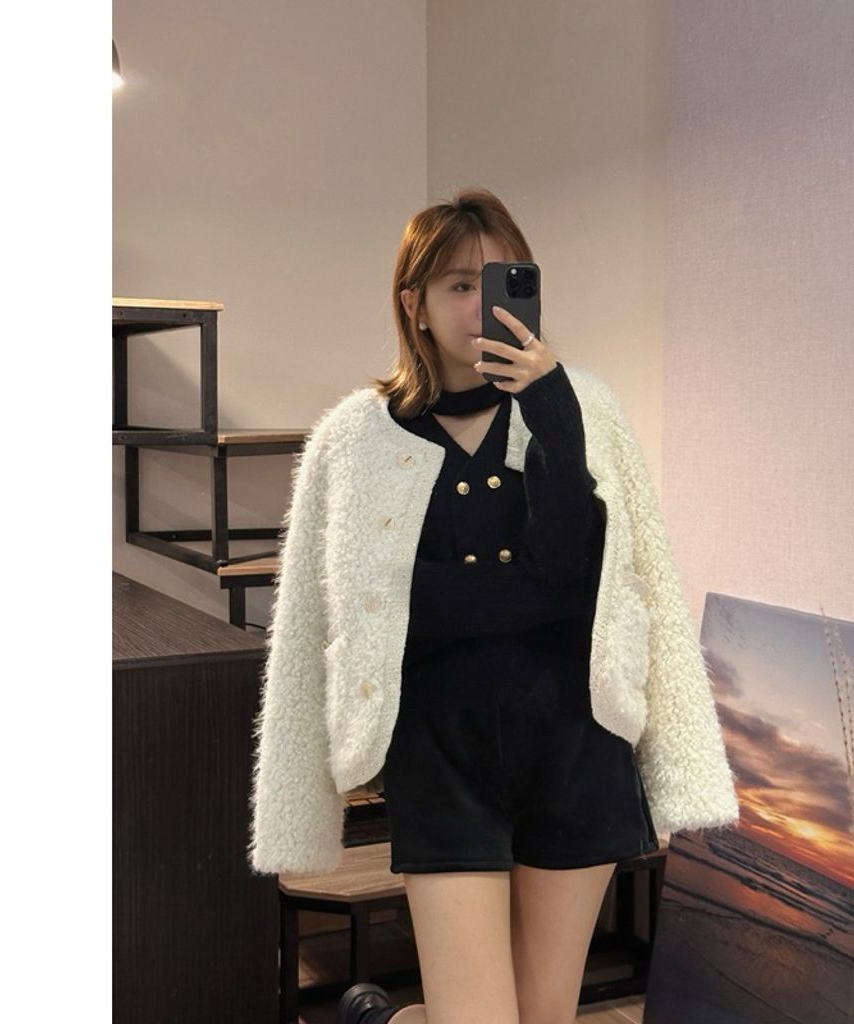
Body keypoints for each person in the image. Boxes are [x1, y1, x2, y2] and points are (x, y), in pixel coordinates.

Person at [248, 188, 739, 1024]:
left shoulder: (580, 407)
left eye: (505, 279)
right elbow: (336, 619)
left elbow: (592, 577)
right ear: (415, 303)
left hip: (574, 747)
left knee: (543, 1017)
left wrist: (550, 411)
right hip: (441, 757)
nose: (483, 305)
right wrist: (515, 593)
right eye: (459, 285)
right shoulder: (355, 437)